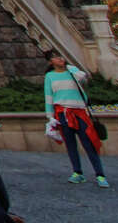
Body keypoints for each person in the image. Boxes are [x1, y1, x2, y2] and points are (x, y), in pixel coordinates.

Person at [43, 49, 108, 188]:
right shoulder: (49, 76)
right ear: (50, 62)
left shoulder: (72, 72)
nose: (60, 59)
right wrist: (50, 117)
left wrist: (71, 68)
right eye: (56, 57)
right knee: (70, 144)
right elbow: (48, 97)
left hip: (79, 112)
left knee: (88, 143)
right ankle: (77, 172)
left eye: (60, 56)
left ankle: (100, 174)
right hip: (62, 113)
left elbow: (83, 78)